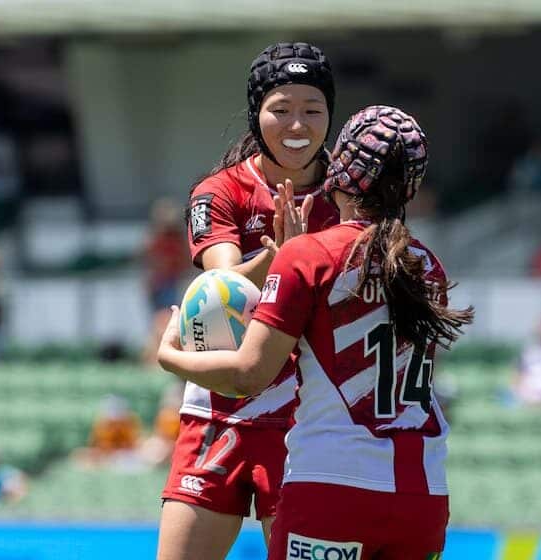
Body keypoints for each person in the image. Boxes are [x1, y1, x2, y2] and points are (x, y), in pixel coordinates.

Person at [159, 105, 474, 559]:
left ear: (341, 169)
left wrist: (173, 357)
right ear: (410, 186)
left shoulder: (309, 255)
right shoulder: (428, 266)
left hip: (333, 486)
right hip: (423, 495)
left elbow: (249, 375)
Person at [158, 42, 340, 559]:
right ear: (257, 113)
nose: (297, 124)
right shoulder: (220, 191)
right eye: (281, 109)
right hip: (218, 413)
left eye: (312, 110)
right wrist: (282, 257)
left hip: (307, 424)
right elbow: (223, 292)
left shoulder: (350, 195)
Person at [141, 198, 192, 365]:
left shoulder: (177, 241)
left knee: (165, 324)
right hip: (161, 287)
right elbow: (150, 263)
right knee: (161, 323)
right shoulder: (155, 240)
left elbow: (185, 263)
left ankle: (155, 360)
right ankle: (152, 361)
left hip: (173, 285)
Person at [73, 394, 143, 469]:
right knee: (81, 454)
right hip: (106, 454)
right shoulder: (102, 423)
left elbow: (133, 443)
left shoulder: (129, 422)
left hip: (125, 454)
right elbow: (96, 443)